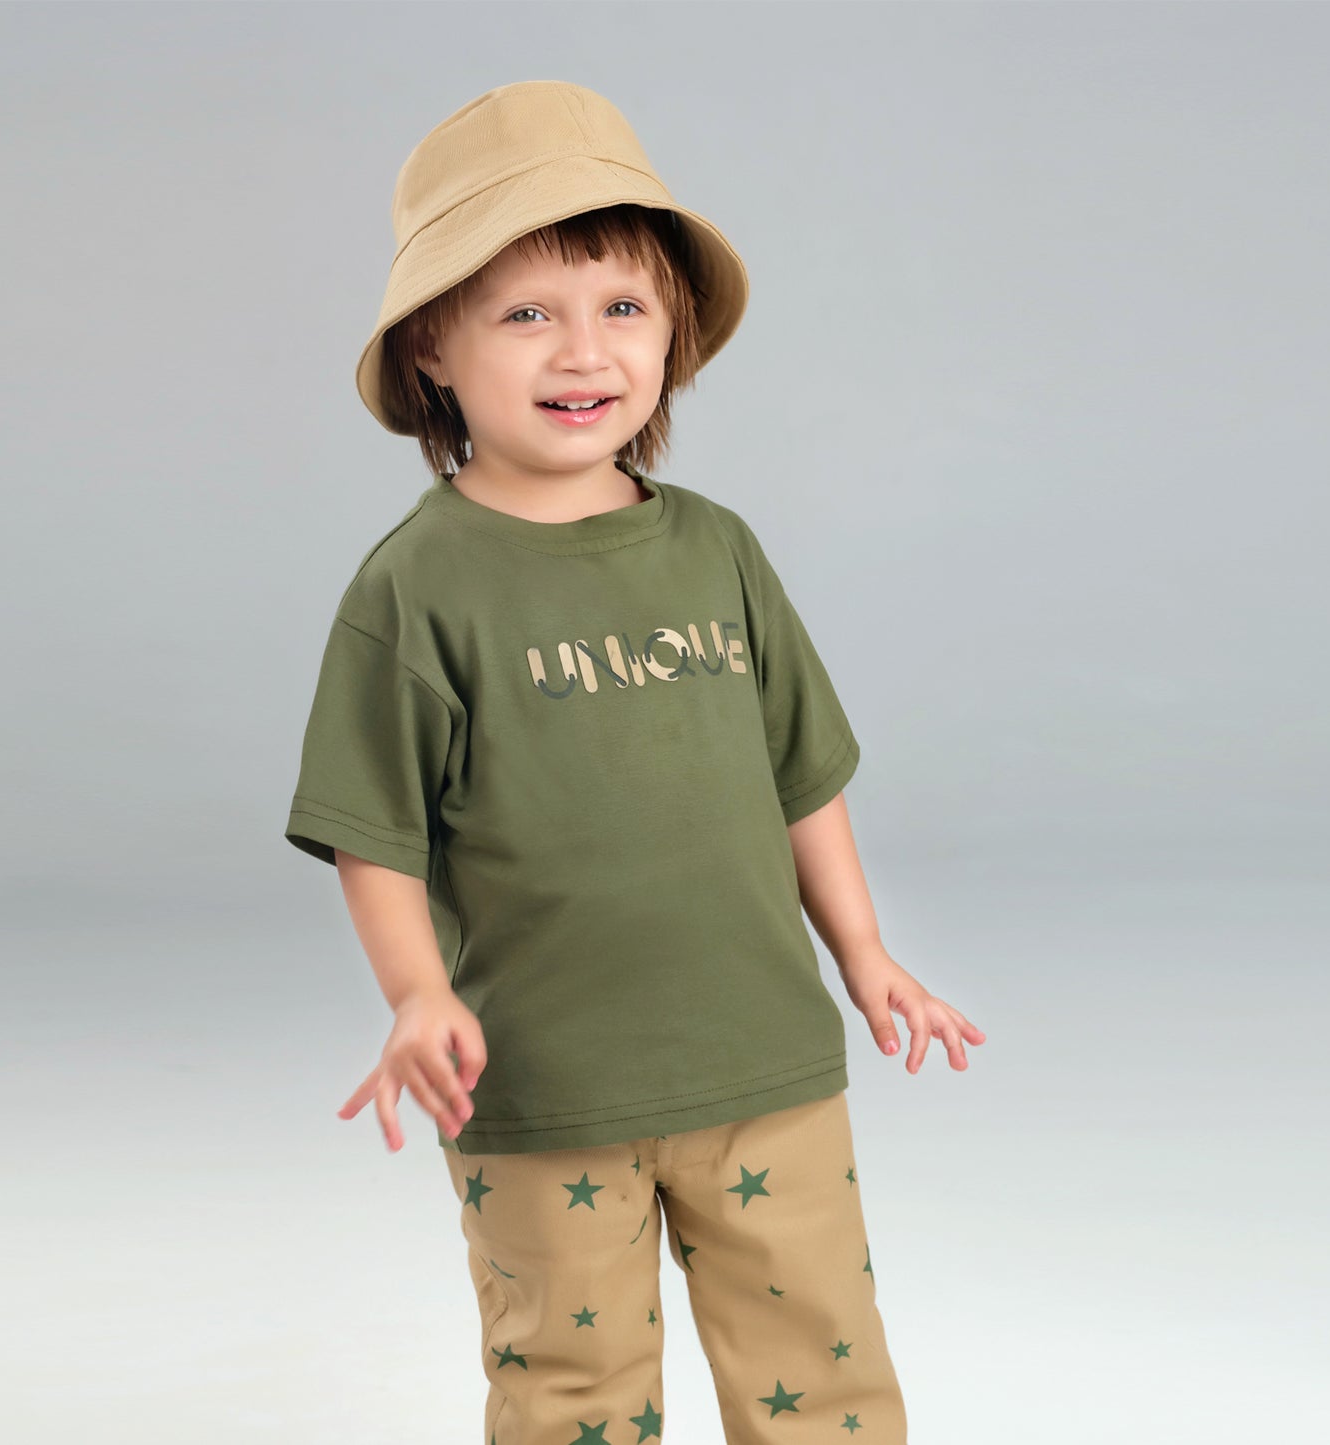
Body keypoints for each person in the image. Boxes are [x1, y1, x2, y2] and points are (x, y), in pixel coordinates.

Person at [285, 80, 985, 1445]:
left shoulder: (717, 549)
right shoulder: (415, 588)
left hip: (764, 1064)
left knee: (823, 1377)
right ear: (433, 345)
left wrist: (864, 953)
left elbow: (801, 776)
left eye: (622, 307)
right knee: (570, 1390)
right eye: (525, 313)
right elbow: (374, 830)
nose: (582, 350)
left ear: (671, 334)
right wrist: (417, 992)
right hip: (541, 1090)